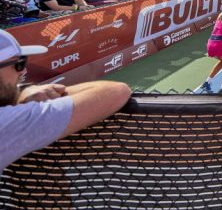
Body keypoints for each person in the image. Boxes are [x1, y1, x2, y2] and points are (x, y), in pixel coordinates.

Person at [0, 29, 133, 171]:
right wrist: (25, 91)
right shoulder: (8, 122)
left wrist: (22, 90)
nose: (22, 71)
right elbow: (116, 92)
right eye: (19, 63)